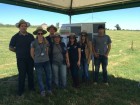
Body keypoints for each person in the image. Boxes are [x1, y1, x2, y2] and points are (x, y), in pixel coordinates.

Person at [9, 19, 35, 96]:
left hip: (30, 58)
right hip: (21, 59)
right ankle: (21, 90)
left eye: (25, 26)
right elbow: (10, 47)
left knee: (31, 74)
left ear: (27, 27)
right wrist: (17, 51)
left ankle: (31, 88)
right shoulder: (15, 37)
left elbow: (34, 46)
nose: (23, 27)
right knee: (22, 74)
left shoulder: (31, 36)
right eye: (22, 26)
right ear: (19, 27)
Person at [30, 26, 52, 96]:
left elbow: (47, 51)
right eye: (38, 33)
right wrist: (35, 59)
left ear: (43, 34)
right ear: (37, 34)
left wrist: (46, 57)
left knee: (49, 76)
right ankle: (42, 90)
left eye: (41, 33)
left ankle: (49, 89)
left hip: (46, 61)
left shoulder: (46, 41)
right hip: (38, 62)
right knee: (39, 77)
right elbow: (31, 53)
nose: (40, 35)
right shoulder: (33, 42)